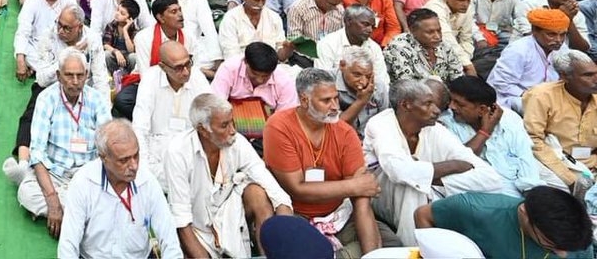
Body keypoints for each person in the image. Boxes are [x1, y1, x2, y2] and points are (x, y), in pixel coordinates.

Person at [362, 78, 505, 244]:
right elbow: (399, 171)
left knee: (422, 185)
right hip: (380, 195)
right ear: (406, 105)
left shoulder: (435, 129)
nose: (437, 111)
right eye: (428, 104)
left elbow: (492, 179)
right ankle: (413, 248)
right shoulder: (381, 124)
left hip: (429, 194)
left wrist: (435, 181)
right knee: (413, 186)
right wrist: (452, 166)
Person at [262, 68, 383, 258]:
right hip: (296, 215)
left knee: (392, 245)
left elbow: (362, 196)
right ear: (304, 100)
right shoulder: (279, 126)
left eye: (336, 98)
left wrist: (373, 255)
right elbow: (296, 189)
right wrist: (353, 186)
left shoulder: (345, 132)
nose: (335, 107)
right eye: (326, 101)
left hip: (339, 214)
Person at [163, 92, 293, 258]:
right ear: (203, 130)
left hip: (230, 219)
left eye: (233, 122)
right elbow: (181, 220)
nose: (233, 131)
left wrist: (283, 225)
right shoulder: (178, 152)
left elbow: (272, 187)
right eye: (224, 125)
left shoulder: (237, 142)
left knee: (258, 193)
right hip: (198, 229)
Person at [9, 49, 112, 236]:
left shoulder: (97, 100)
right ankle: (80, 215)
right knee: (27, 193)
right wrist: (52, 199)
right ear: (58, 76)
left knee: (109, 195)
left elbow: (108, 149)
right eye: (69, 75)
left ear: (86, 75)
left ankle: (69, 213)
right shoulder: (46, 99)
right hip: (54, 173)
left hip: (86, 175)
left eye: (80, 75)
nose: (75, 81)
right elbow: (37, 153)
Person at [58, 119, 182, 259]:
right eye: (124, 160)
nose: (134, 166)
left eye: (136, 156)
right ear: (104, 158)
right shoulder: (83, 182)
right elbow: (68, 245)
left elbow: (170, 240)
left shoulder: (148, 182)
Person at [414, 186, 595, 259]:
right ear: (524, 214)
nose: (563, 255)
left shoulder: (575, 239)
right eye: (549, 244)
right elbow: (423, 215)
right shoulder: (475, 209)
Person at [443, 75, 538, 196]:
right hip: (479, 195)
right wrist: (485, 131)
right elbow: (461, 160)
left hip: (517, 192)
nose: (451, 107)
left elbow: (526, 158)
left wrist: (531, 196)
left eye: (459, 104)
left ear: (482, 109)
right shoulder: (447, 123)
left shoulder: (509, 118)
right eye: (451, 100)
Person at [132, 39, 210, 182]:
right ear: (163, 67)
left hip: (191, 153)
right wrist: (143, 169)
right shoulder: (150, 79)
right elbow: (140, 128)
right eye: (179, 68)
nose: (186, 72)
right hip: (157, 156)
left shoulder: (197, 77)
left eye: (188, 64)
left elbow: (211, 117)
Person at [522, 49, 597, 190]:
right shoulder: (541, 96)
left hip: (591, 163)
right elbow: (533, 140)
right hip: (555, 163)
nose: (596, 79)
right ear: (564, 76)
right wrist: (569, 178)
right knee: (559, 189)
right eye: (588, 75)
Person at [488, 7, 568, 112]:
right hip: (512, 98)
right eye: (551, 34)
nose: (558, 40)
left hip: (545, 98)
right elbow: (501, 83)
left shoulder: (562, 49)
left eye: (562, 35)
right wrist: (533, 97)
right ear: (534, 31)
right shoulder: (518, 50)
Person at [315, 4, 391, 98]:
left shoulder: (374, 48)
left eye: (372, 26)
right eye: (365, 24)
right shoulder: (328, 43)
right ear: (348, 21)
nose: (370, 30)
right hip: (335, 97)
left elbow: (382, 81)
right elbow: (322, 80)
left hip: (368, 97)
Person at [382, 7, 465, 82]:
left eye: (439, 30)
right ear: (412, 31)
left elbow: (458, 77)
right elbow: (407, 85)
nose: (437, 36)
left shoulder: (444, 45)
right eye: (430, 32)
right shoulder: (398, 47)